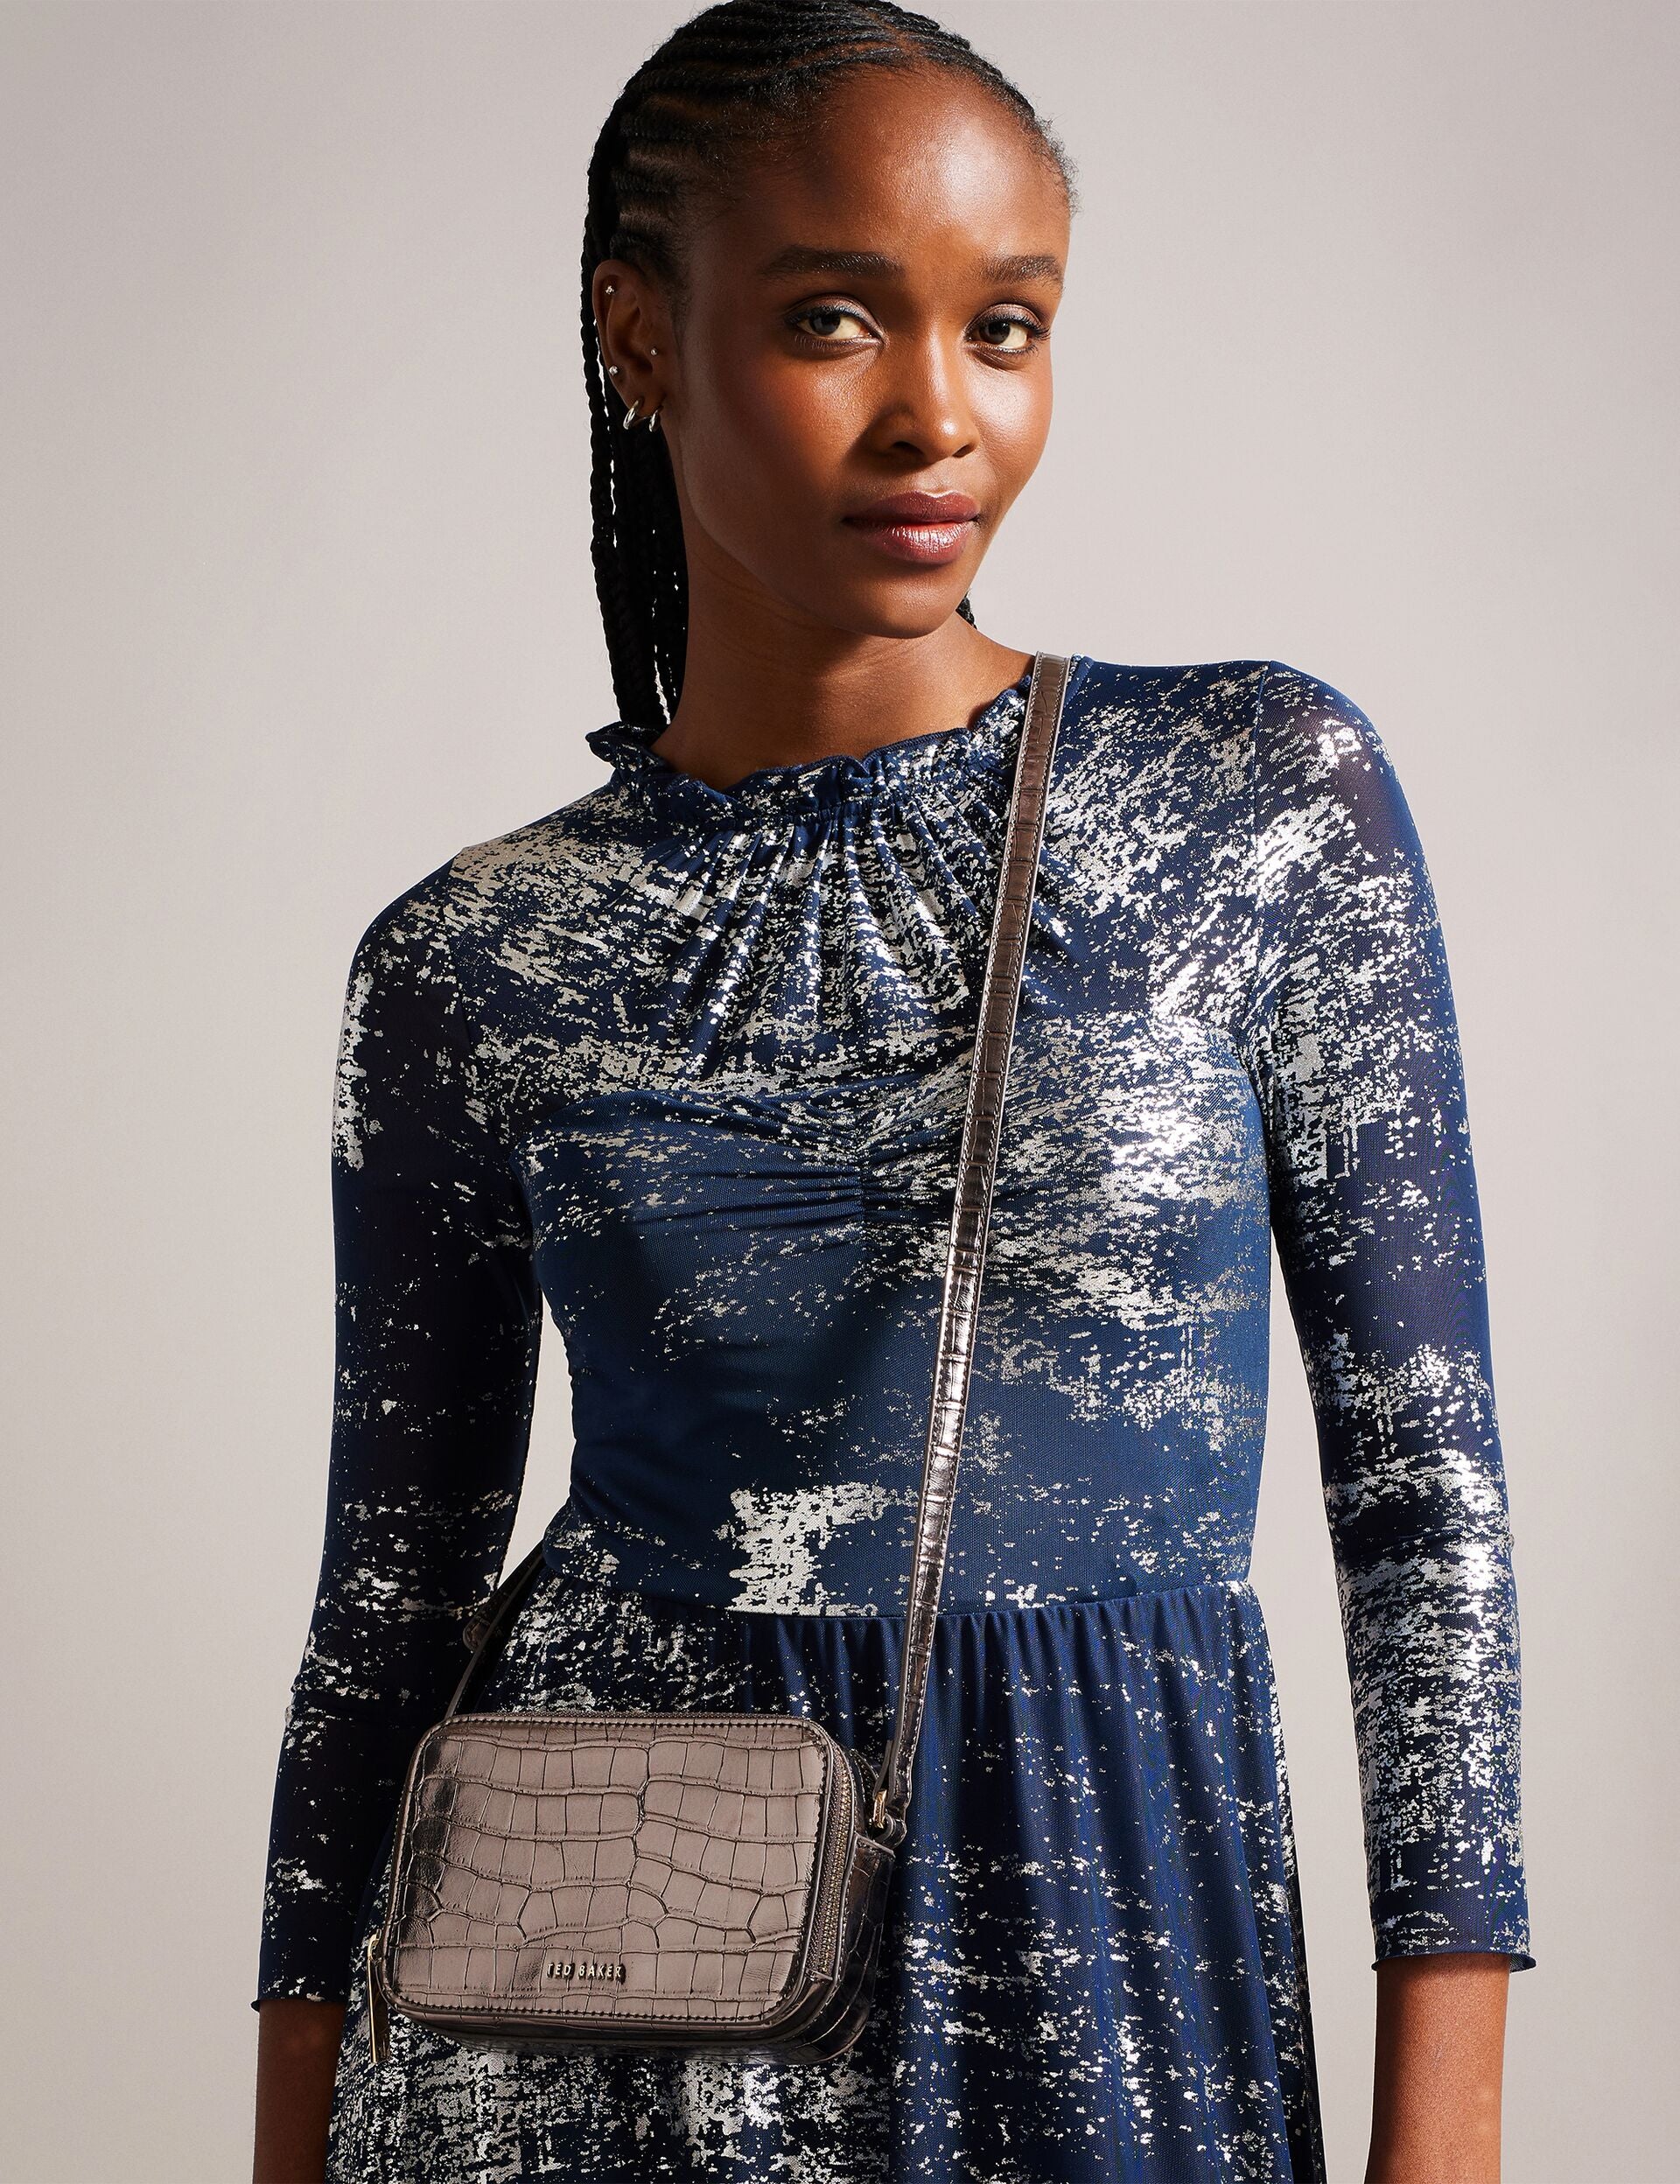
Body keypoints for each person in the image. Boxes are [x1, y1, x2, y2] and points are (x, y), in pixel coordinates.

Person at [251, 4, 1531, 2178]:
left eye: (1005, 326)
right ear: (638, 335)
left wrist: (1453, 2133)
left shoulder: (1251, 800)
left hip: (1114, 1927)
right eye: (833, 318)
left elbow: (1429, 1508)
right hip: (595, 1999)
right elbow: (387, 1609)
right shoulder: (473, 959)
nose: (941, 413)